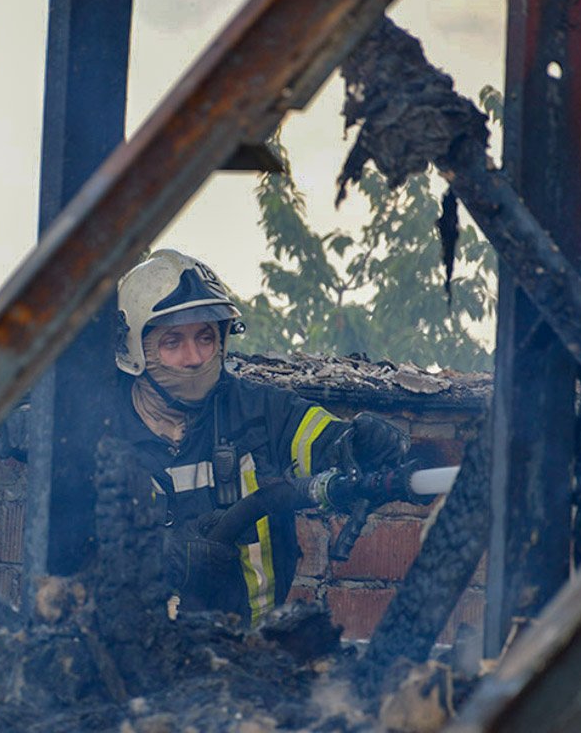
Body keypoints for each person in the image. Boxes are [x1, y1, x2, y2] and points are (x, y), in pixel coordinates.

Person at [110, 249, 412, 624]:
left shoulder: (261, 412)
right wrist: (166, 556)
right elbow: (73, 552)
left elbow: (324, 442)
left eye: (205, 338)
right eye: (173, 342)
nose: (194, 358)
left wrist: (357, 446)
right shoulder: (100, 433)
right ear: (135, 350)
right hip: (132, 662)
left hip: (253, 658)